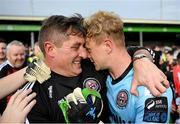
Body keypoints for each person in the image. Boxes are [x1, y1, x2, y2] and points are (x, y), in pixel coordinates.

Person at [22, 14, 170, 123]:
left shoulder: (151, 85)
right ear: (50, 49)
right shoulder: (35, 92)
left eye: (87, 48)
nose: (85, 54)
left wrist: (141, 58)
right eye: (76, 47)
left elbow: (123, 52)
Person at [84, 11, 173, 123]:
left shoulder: (151, 86)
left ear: (107, 46)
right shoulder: (105, 75)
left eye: (89, 50)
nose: (86, 55)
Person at [0, 40, 26, 114]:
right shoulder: (3, 70)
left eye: (22, 54)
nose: (20, 57)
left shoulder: (28, 66)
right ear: (8, 56)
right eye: (16, 55)